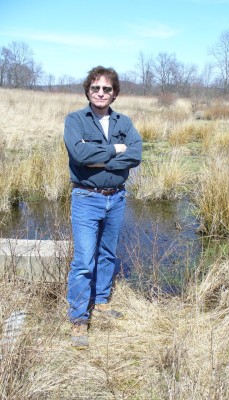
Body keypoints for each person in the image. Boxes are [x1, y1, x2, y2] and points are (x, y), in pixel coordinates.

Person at [64, 66, 142, 348]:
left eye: (106, 89)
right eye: (96, 87)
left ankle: (101, 303)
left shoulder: (124, 122)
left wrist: (100, 159)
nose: (101, 93)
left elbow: (135, 155)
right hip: (87, 198)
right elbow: (78, 153)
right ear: (88, 90)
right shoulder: (75, 120)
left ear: (115, 93)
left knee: (108, 254)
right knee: (84, 260)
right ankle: (78, 320)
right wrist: (115, 150)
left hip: (117, 197)